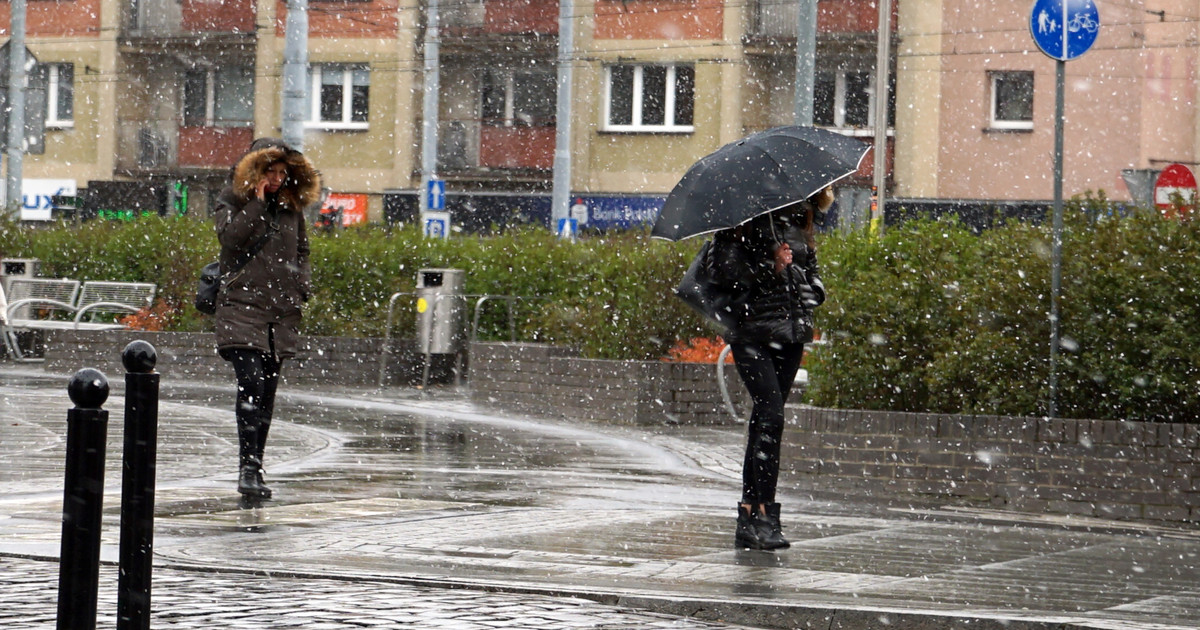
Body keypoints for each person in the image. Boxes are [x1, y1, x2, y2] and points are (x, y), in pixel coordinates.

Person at [708, 186, 833, 550]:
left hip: (791, 334)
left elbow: (812, 272)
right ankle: (764, 514)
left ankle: (751, 514)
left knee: (766, 421)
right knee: (771, 415)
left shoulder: (800, 219)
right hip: (751, 332)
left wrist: (811, 289)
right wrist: (769, 266)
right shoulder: (738, 225)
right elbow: (725, 276)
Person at [213, 138, 320, 499]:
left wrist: (301, 284)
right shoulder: (232, 200)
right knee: (252, 384)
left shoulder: (291, 208)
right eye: (269, 172)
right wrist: (257, 203)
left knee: (268, 393)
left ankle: (256, 465)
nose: (275, 180)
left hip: (280, 312)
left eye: (281, 173)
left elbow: (302, 249)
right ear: (255, 171)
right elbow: (231, 239)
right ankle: (246, 466)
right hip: (241, 307)